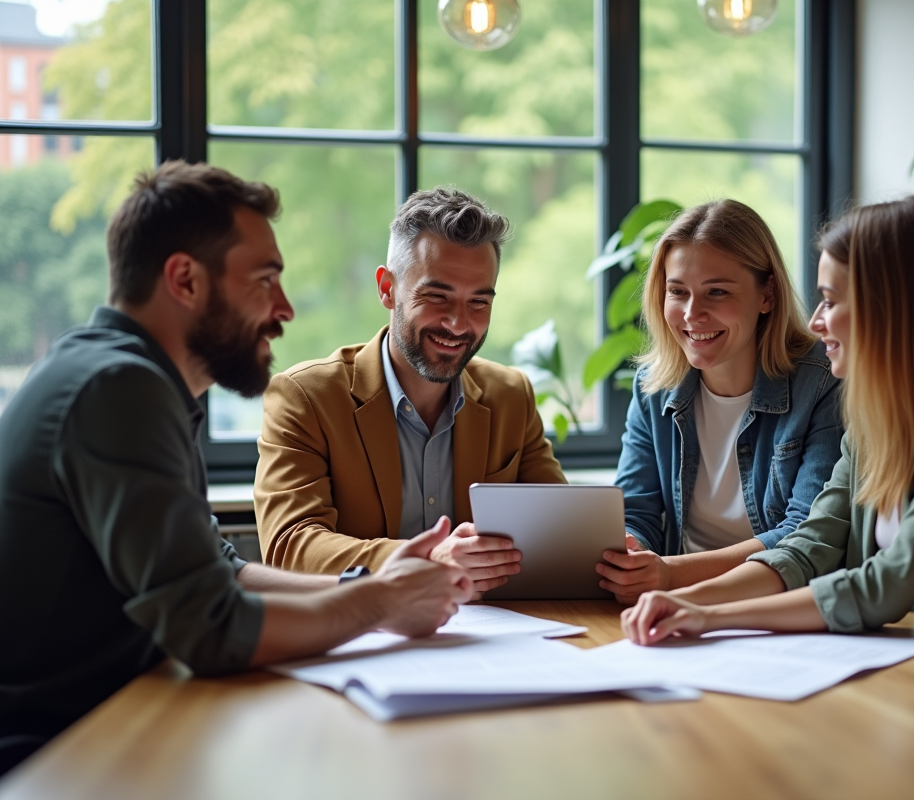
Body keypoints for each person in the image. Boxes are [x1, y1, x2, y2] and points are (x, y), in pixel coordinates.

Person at [0, 162, 473, 777]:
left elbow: (213, 571)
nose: (285, 309)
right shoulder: (119, 389)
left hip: (119, 724)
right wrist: (379, 603)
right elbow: (210, 626)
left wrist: (366, 587)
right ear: (185, 280)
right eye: (265, 280)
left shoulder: (132, 378)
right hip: (55, 754)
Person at [621, 196, 914, 643]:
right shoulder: (876, 421)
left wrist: (708, 616)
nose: (816, 323)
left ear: (893, 307)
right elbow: (808, 546)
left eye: (831, 301)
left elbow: (891, 581)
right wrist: (689, 602)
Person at [254, 188, 566, 598]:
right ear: (387, 288)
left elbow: (562, 534)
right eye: (437, 296)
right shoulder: (305, 398)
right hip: (362, 632)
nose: (458, 324)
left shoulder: (511, 395)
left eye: (479, 302)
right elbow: (289, 546)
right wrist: (427, 561)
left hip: (490, 635)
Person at [597, 200, 843, 604]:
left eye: (717, 292)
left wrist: (669, 574)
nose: (694, 314)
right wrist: (631, 552)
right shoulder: (653, 387)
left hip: (775, 605)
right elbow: (635, 512)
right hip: (672, 604)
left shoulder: (821, 382)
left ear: (767, 294)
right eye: (678, 292)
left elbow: (805, 533)